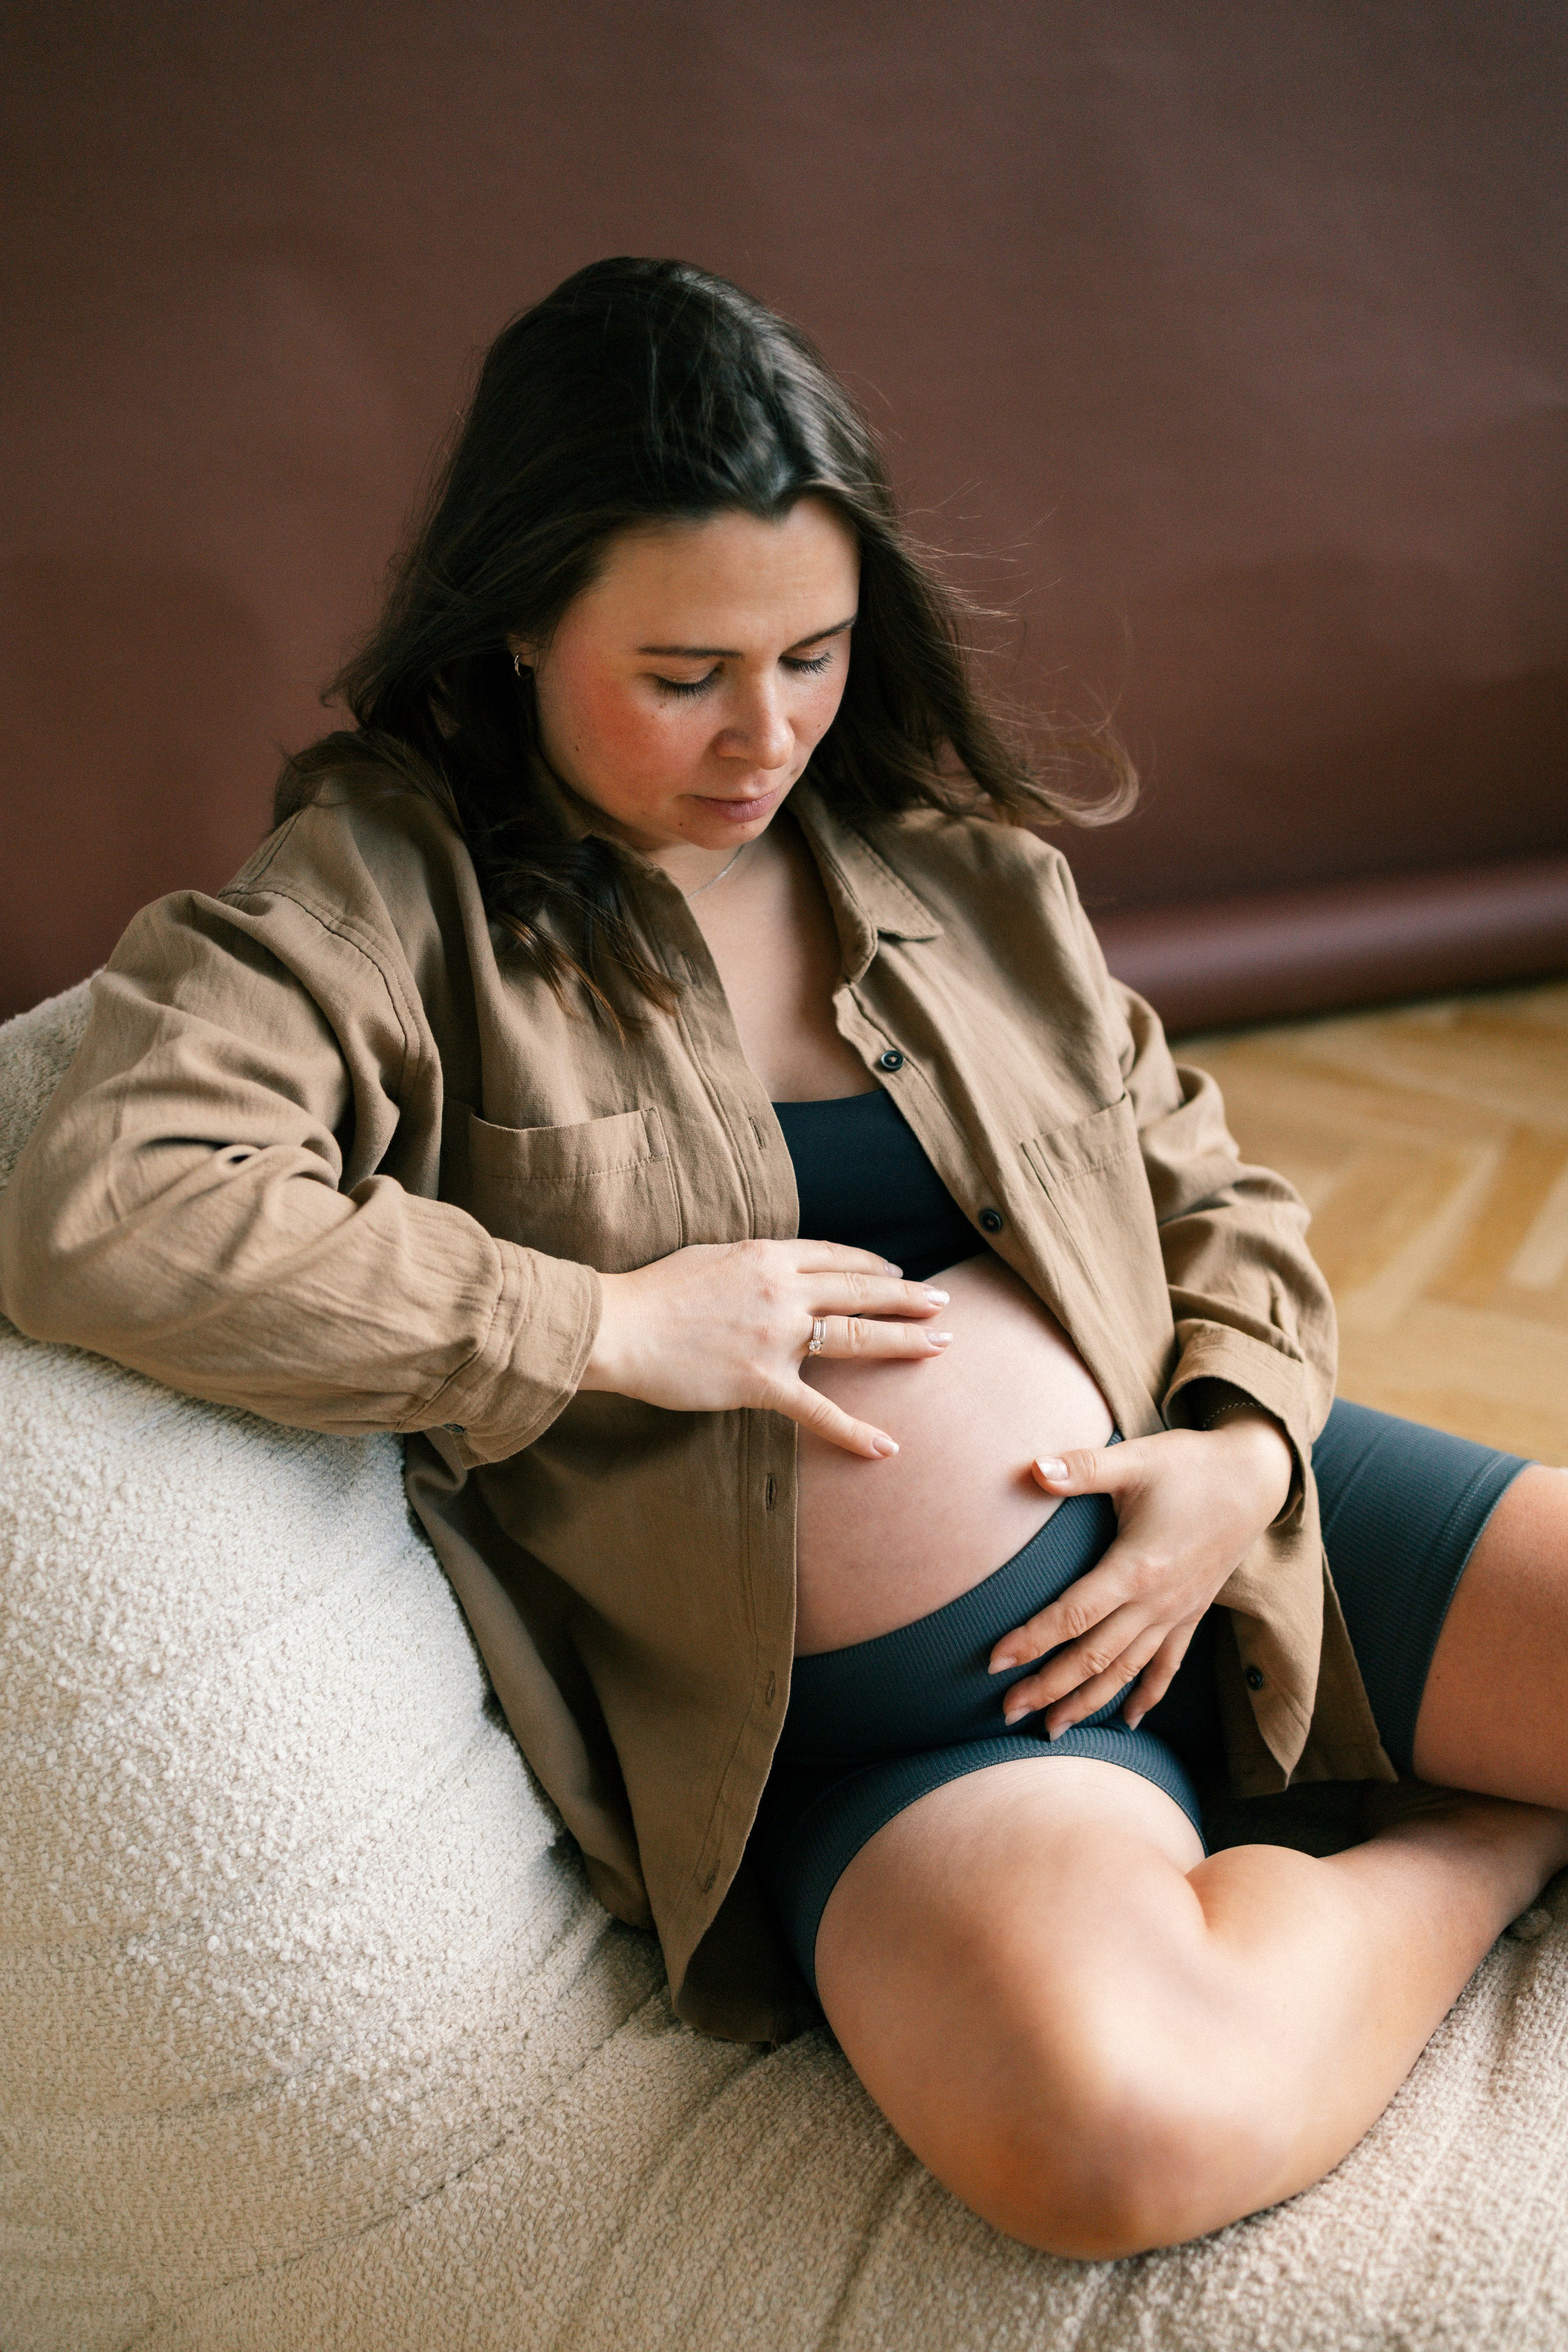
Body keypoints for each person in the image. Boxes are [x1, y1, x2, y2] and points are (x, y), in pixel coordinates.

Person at [3, 257, 1566, 2262]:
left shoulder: (943, 861)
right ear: (513, 634)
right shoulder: (386, 901)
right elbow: (108, 1206)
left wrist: (1248, 1448)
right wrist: (599, 1322)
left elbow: (1205, 1184)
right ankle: (1482, 1838)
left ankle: (1333, 1773)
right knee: (1117, 2143)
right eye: (684, 676)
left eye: (814, 656)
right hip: (914, 1730)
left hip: (1245, 1538)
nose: (767, 735)